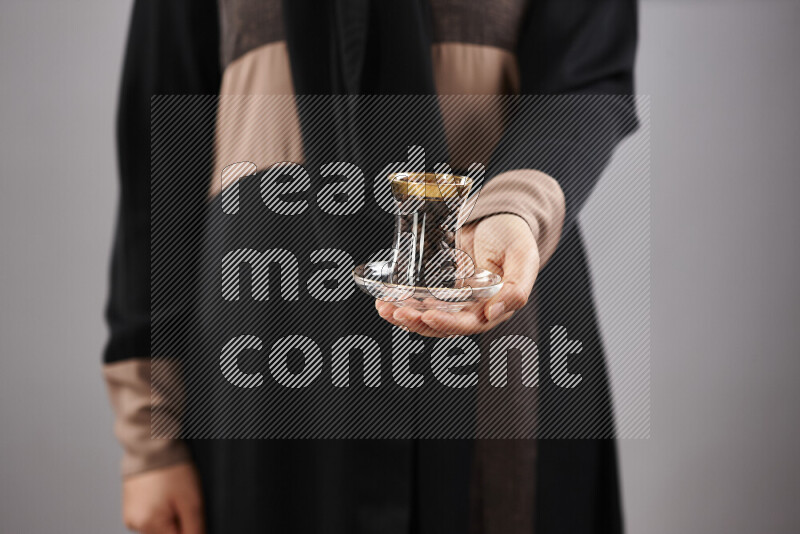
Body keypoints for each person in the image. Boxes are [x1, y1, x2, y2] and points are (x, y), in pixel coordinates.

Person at [103, 0, 638, 532]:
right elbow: (161, 155)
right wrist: (152, 438)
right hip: (268, 344)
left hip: (499, 304)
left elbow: (584, 76)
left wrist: (516, 208)